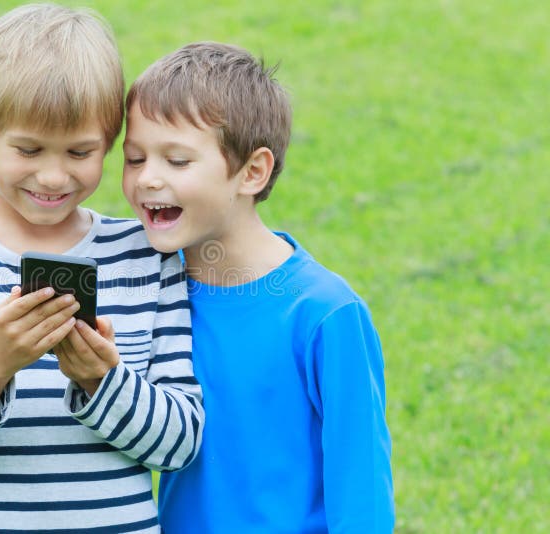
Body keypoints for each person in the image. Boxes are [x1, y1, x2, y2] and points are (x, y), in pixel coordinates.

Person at [0, 5, 203, 532]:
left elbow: (180, 446)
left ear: (111, 143)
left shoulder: (146, 254)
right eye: (28, 149)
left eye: (81, 151)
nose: (53, 176)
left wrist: (103, 380)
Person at [122, 42, 394, 533]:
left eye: (177, 161)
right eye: (135, 158)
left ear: (252, 172)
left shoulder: (325, 313)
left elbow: (363, 494)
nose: (147, 179)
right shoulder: (152, 297)